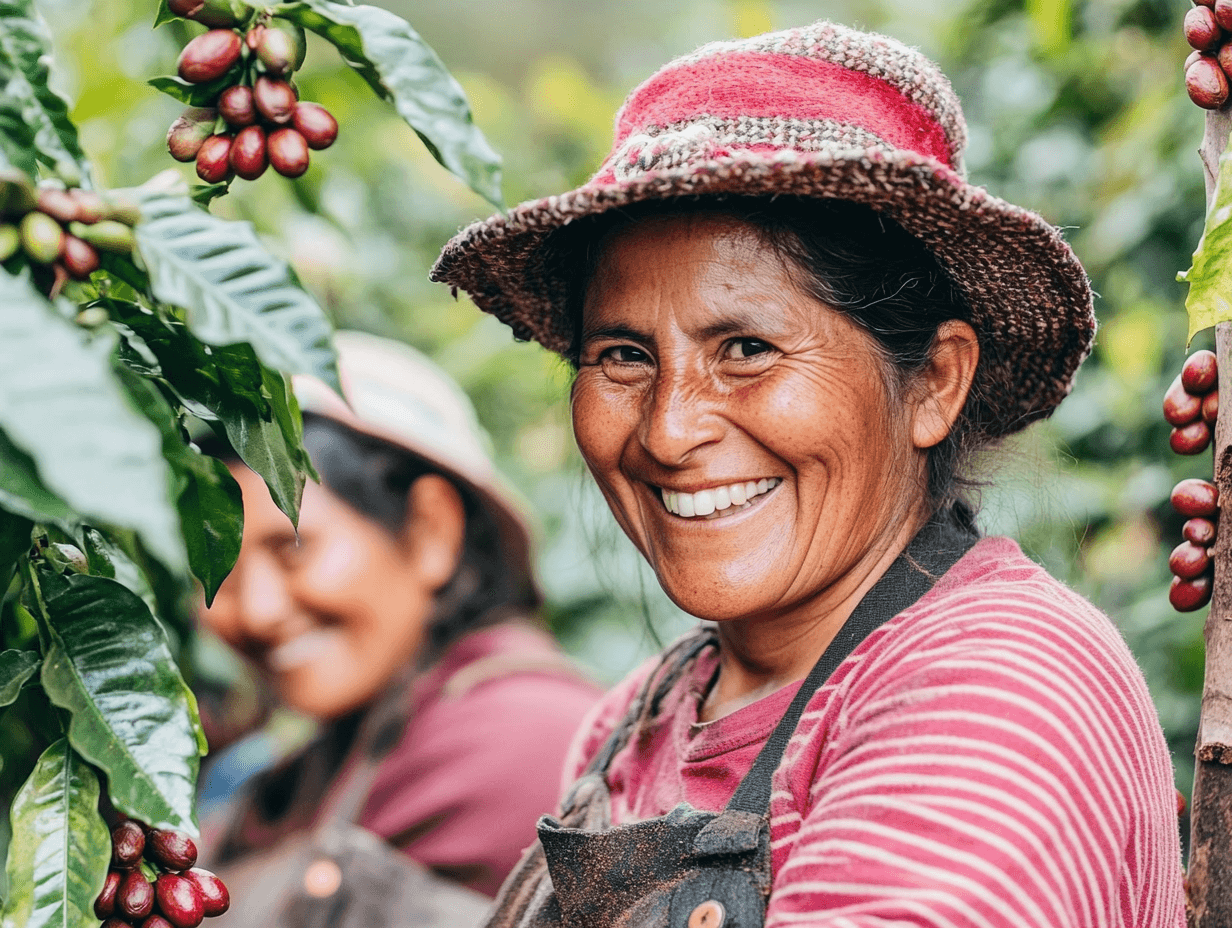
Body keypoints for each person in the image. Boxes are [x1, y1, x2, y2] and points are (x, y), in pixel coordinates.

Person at [430, 19, 1187, 928]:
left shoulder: (996, 686)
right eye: (624, 355)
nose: (669, 433)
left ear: (933, 384)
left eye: (746, 348)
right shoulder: (639, 716)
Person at [195, 331, 601, 928]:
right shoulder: (321, 758)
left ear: (427, 531)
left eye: (294, 548)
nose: (255, 611)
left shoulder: (517, 736)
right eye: (217, 570)